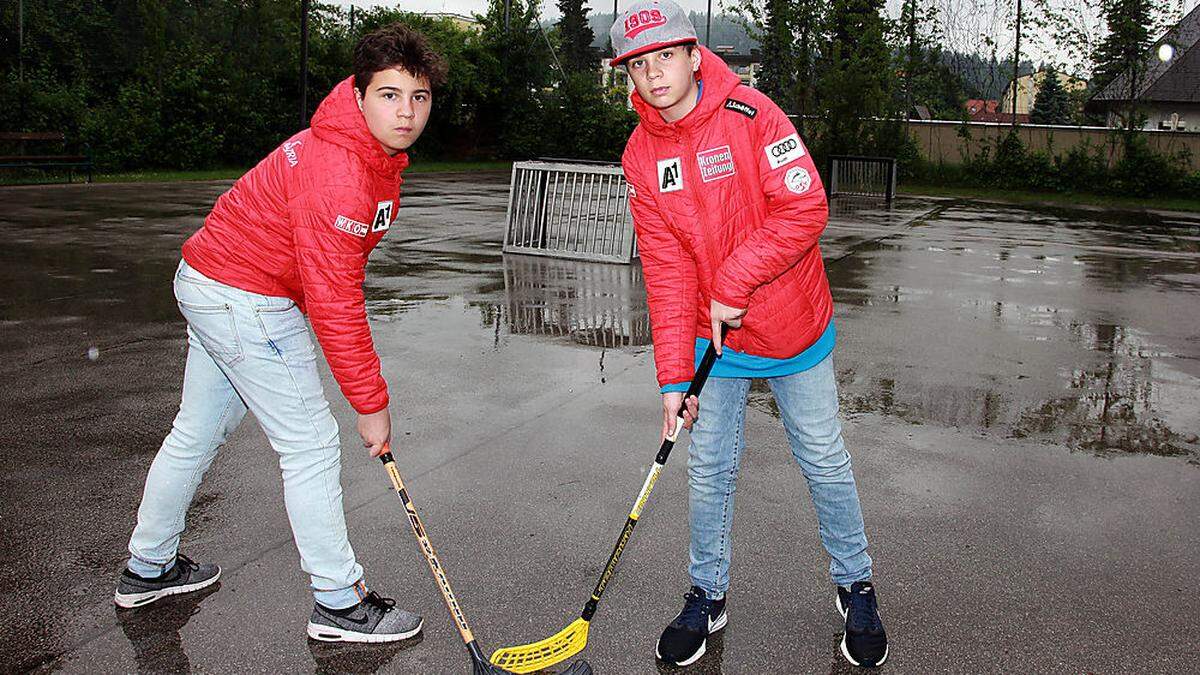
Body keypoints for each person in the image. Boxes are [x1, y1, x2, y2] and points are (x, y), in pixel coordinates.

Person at [113, 22, 445, 644]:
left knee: (196, 430)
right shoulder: (340, 171)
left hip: (211, 281)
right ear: (359, 93)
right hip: (245, 297)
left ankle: (147, 568)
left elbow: (332, 275)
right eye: (390, 95)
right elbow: (335, 297)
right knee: (312, 445)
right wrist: (371, 404)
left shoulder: (360, 148)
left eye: (418, 97)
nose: (405, 112)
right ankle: (339, 602)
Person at [609, 1, 889, 667]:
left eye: (664, 57)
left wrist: (733, 282)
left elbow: (806, 206)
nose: (654, 74)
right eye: (638, 65)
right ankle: (707, 593)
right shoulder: (641, 156)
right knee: (708, 467)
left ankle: (857, 585)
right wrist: (675, 377)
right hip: (716, 343)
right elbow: (668, 272)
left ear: (691, 53)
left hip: (792, 324)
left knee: (823, 456)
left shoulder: (752, 114)